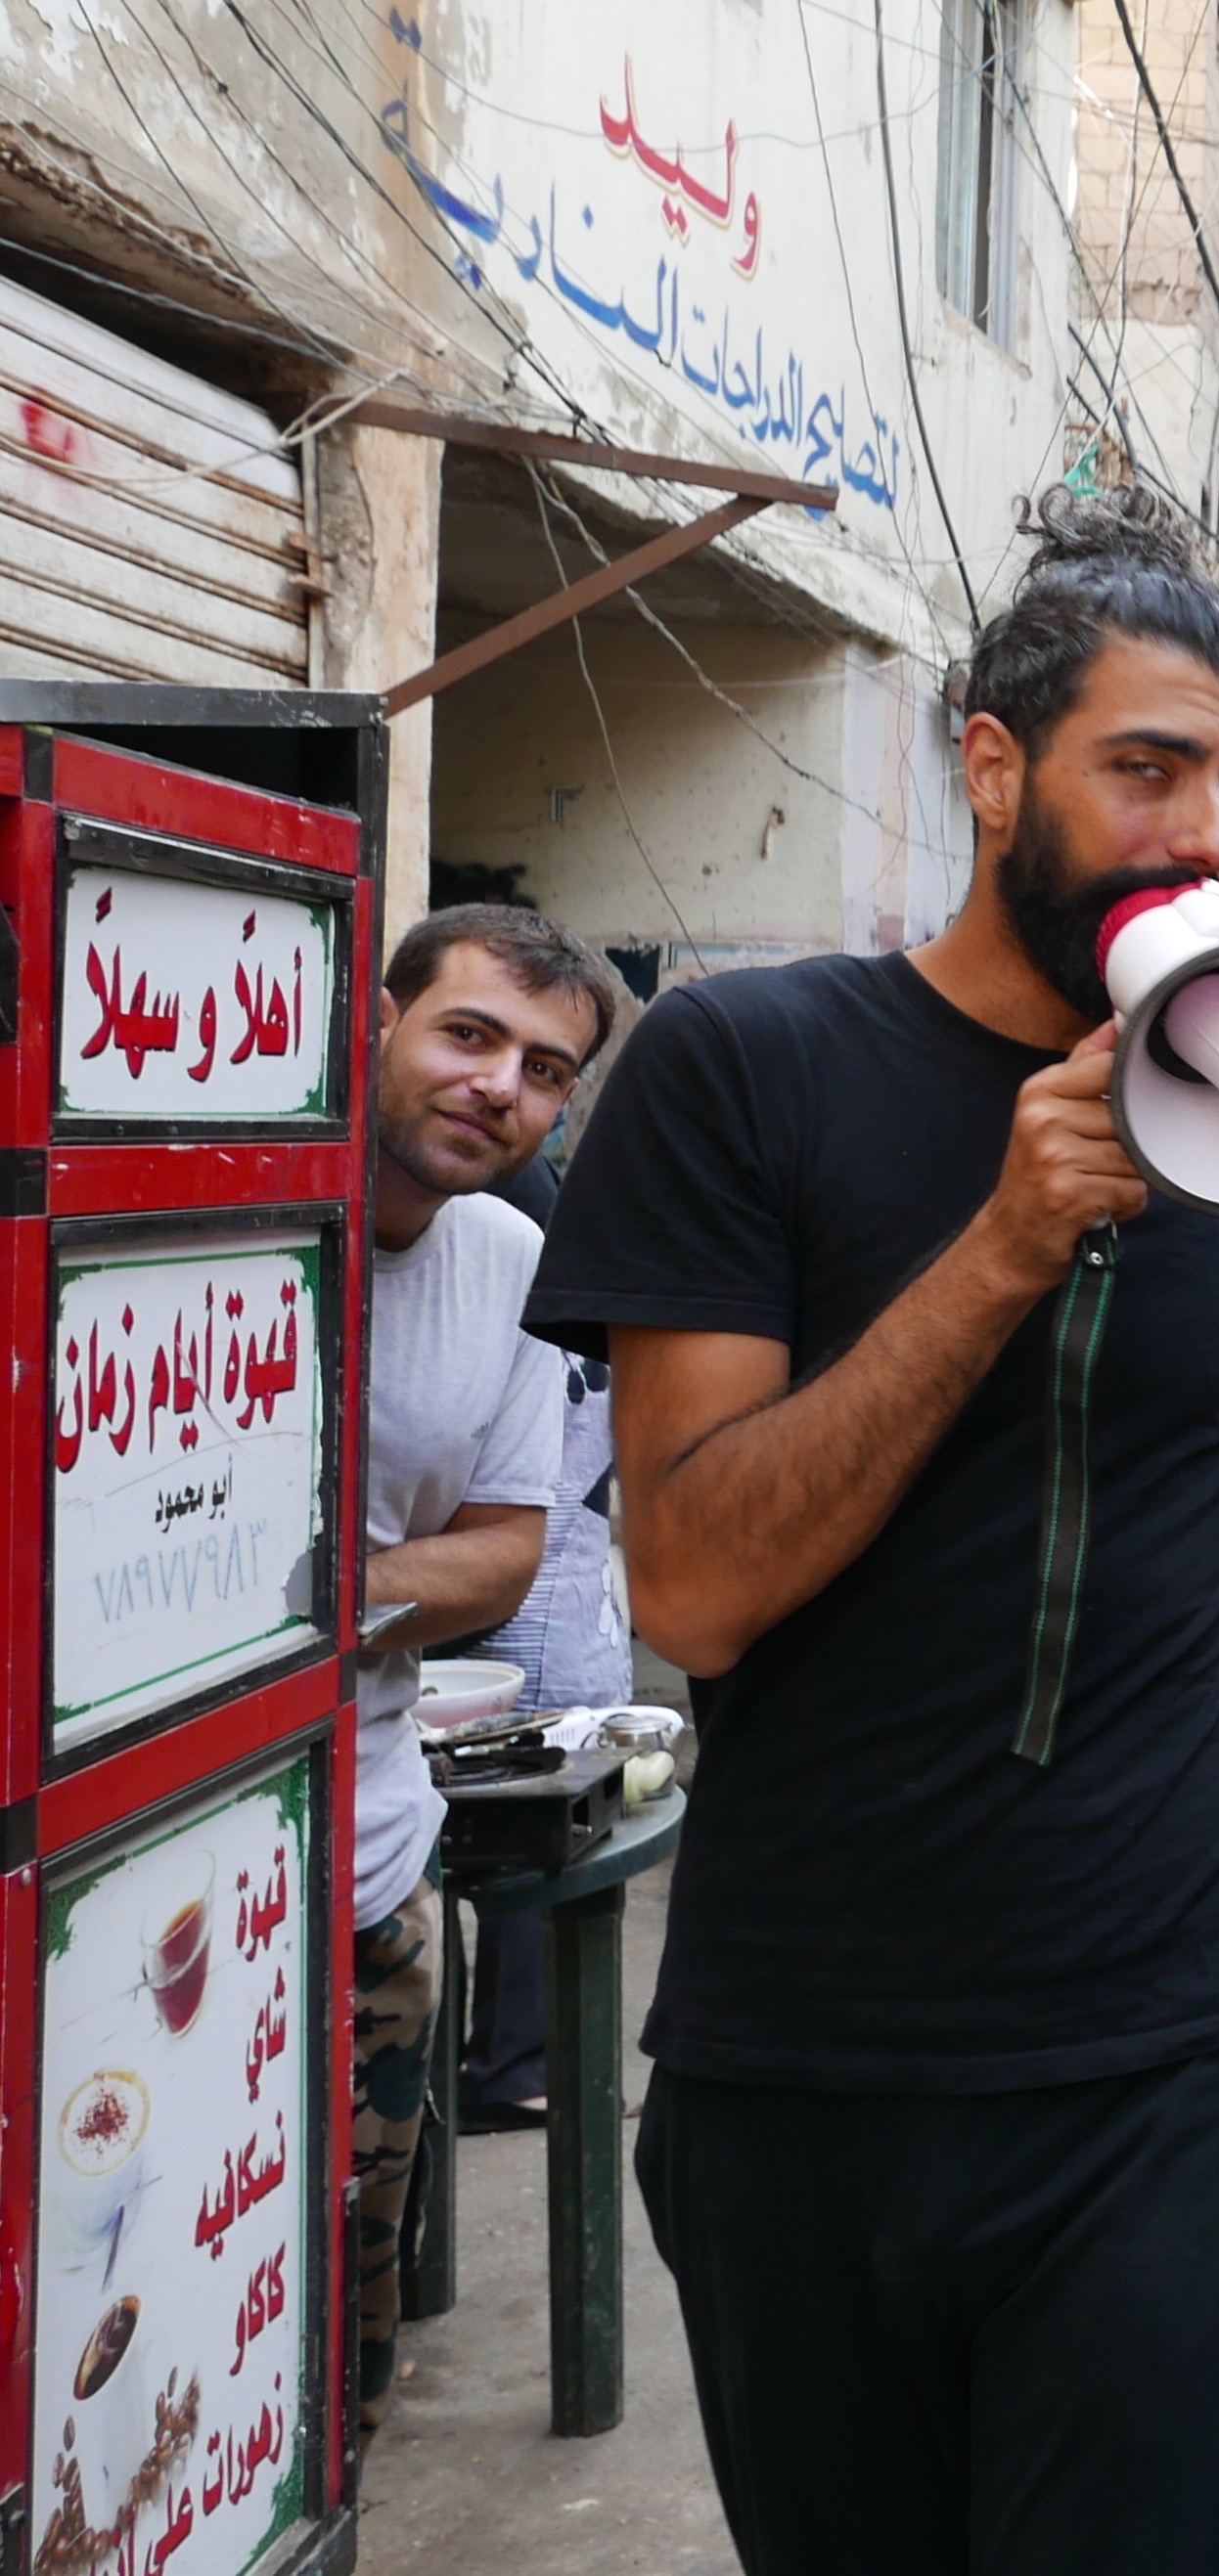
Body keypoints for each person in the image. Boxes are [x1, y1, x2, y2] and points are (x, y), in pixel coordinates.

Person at [525, 489, 1219, 2576]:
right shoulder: (747, 1070)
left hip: (1158, 2068)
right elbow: (695, 1585)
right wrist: (1004, 1242)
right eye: (1147, 769)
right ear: (992, 768)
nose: (1207, 839)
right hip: (803, 2069)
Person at [354, 903, 621, 2432]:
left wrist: (294, 1606)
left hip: (375, 1876)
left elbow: (504, 1557)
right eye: (468, 1033)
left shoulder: (516, 1254)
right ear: (378, 1016)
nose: (499, 1087)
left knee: (345, 2339)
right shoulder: (226, 1211)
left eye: (544, 1068)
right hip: (147, 1873)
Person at [456, 1147, 637, 2134]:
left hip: (542, 1594)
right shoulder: (562, 1250)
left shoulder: (515, 1266)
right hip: (559, 1592)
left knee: (529, 1830)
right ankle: (514, 2061)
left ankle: (510, 2059)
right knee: (535, 1829)